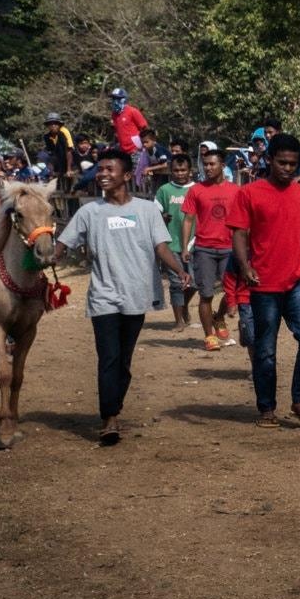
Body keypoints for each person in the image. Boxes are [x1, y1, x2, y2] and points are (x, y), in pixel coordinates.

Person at [55, 149, 189, 446]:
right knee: (109, 356)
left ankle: (114, 405)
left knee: (123, 360)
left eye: (109, 169)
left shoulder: (147, 210)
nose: (102, 174)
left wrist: (179, 270)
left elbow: (161, 247)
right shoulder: (89, 212)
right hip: (103, 296)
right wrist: (48, 257)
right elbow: (63, 243)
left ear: (127, 175)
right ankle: (109, 418)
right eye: (100, 169)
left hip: (137, 294)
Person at [231, 134, 300, 430]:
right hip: (263, 282)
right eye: (282, 162)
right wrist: (245, 267)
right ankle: (267, 408)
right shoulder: (249, 193)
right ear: (269, 160)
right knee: (265, 348)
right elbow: (239, 234)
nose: (287, 168)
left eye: (293, 164)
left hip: (298, 280)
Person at [182, 144, 241, 351]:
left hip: (230, 248)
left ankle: (219, 317)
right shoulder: (196, 190)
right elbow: (188, 219)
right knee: (206, 294)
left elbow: (244, 221)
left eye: (212, 164)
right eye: (205, 164)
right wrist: (185, 247)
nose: (207, 168)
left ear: (222, 166)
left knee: (232, 291)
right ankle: (209, 336)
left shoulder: (236, 191)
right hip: (204, 248)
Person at [154, 152, 196, 331]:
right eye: (176, 170)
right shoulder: (164, 190)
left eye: (183, 170)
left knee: (195, 283)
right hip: (171, 243)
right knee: (176, 283)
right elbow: (154, 214)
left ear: (190, 171)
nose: (180, 173)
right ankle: (178, 321)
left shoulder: (197, 189)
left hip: (195, 243)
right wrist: (162, 217)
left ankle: (184, 306)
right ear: (171, 171)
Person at [109, 88, 148, 185]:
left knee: (140, 178)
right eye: (113, 99)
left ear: (124, 99)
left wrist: (142, 145)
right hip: (124, 152)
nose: (114, 101)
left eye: (117, 98)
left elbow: (144, 128)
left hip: (136, 150)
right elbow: (117, 131)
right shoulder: (114, 114)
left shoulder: (132, 111)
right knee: (126, 178)